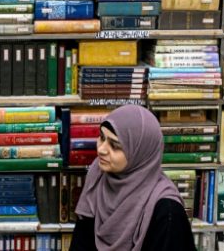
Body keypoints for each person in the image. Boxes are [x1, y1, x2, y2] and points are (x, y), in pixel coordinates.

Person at [69, 104, 196, 251]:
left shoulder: (167, 211)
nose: (101, 149)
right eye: (102, 137)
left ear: (139, 153)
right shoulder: (97, 175)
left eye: (115, 146)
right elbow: (81, 242)